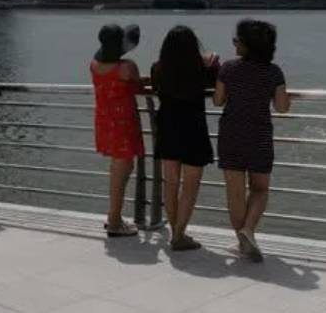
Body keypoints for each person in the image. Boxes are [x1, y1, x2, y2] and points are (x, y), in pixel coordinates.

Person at [213, 19, 290, 263]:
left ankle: (242, 240)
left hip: (231, 134)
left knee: (235, 193)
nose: (234, 43)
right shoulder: (273, 72)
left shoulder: (228, 68)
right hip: (259, 135)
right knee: (260, 188)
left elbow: (217, 100)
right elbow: (281, 107)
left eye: (237, 39)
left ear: (248, 45)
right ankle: (249, 230)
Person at [151, 26, 220, 250]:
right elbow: (216, 80)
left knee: (170, 184)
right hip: (193, 128)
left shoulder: (158, 68)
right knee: (190, 185)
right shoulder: (200, 69)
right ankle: (179, 234)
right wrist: (212, 61)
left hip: (168, 126)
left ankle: (175, 232)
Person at [90, 23, 144, 237]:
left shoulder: (94, 64)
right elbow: (138, 87)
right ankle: (114, 220)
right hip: (123, 123)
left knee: (118, 169)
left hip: (104, 121)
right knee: (122, 171)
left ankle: (115, 216)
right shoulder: (127, 67)